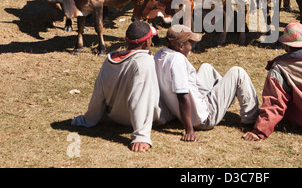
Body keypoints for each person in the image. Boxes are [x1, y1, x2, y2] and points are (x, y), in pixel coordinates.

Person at [71, 21, 168, 153]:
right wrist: (141, 136)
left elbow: (98, 94)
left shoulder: (110, 59)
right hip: (141, 118)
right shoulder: (144, 62)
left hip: (115, 117)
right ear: (147, 41)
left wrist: (88, 119)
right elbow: (140, 98)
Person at [154, 25, 259, 142]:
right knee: (238, 72)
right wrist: (189, 131)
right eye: (190, 42)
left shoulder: (159, 55)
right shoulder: (177, 60)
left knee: (206, 67)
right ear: (181, 46)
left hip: (187, 109)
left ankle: (228, 96)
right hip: (203, 118)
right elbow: (182, 96)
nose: (192, 46)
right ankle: (251, 119)